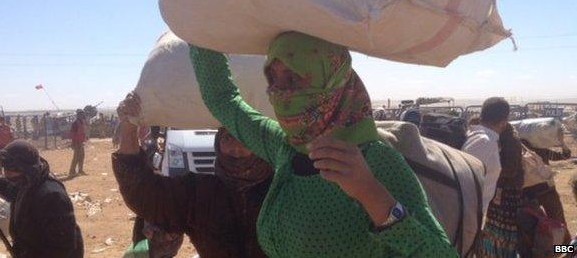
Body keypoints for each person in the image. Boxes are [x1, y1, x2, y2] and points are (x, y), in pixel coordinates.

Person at [189, 32, 457, 257]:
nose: (280, 93)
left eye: (292, 79)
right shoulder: (285, 150)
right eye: (273, 79)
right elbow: (222, 98)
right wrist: (199, 27)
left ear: (333, 80)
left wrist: (371, 194)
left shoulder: (376, 161)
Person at [113, 93, 273, 258]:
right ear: (218, 143)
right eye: (228, 138)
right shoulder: (200, 193)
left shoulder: (282, 190)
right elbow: (142, 191)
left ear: (260, 143)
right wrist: (129, 126)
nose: (236, 148)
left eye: (246, 139)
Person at [0, 140, 84, 258]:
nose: (6, 175)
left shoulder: (51, 196)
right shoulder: (27, 183)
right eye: (5, 170)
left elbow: (62, 248)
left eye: (11, 171)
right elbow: (6, 187)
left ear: (27, 169)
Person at [477, 124, 523, 257]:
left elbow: (511, 169)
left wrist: (491, 170)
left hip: (508, 192)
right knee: (494, 227)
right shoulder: (498, 139)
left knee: (504, 230)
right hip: (500, 191)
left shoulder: (511, 141)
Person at [462, 97, 510, 216]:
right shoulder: (485, 142)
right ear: (504, 122)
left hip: (470, 212)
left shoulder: (478, 136)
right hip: (468, 214)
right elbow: (466, 178)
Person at [69, 110, 87, 177]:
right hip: (76, 142)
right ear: (79, 115)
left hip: (81, 142)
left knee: (82, 156)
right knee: (76, 157)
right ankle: (72, 171)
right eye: (82, 115)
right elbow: (72, 134)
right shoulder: (75, 123)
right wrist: (73, 143)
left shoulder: (81, 122)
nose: (83, 116)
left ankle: (80, 170)